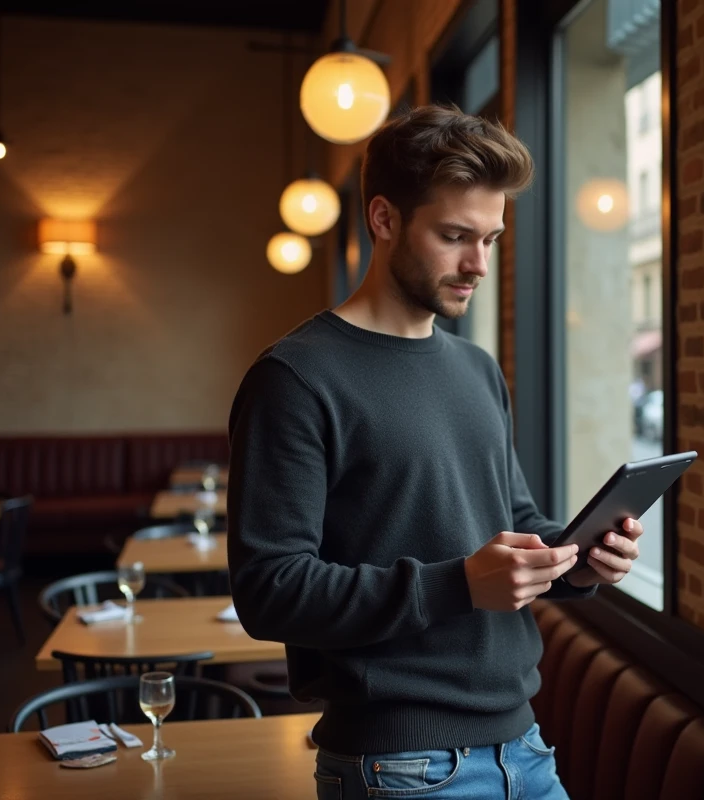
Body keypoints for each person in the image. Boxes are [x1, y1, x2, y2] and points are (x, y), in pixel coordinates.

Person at [227, 105, 644, 800]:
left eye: (491, 239)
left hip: (527, 749)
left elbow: (512, 518)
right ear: (384, 219)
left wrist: (578, 557)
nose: (478, 264)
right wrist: (457, 584)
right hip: (399, 768)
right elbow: (269, 591)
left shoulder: (477, 368)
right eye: (455, 236)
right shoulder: (295, 379)